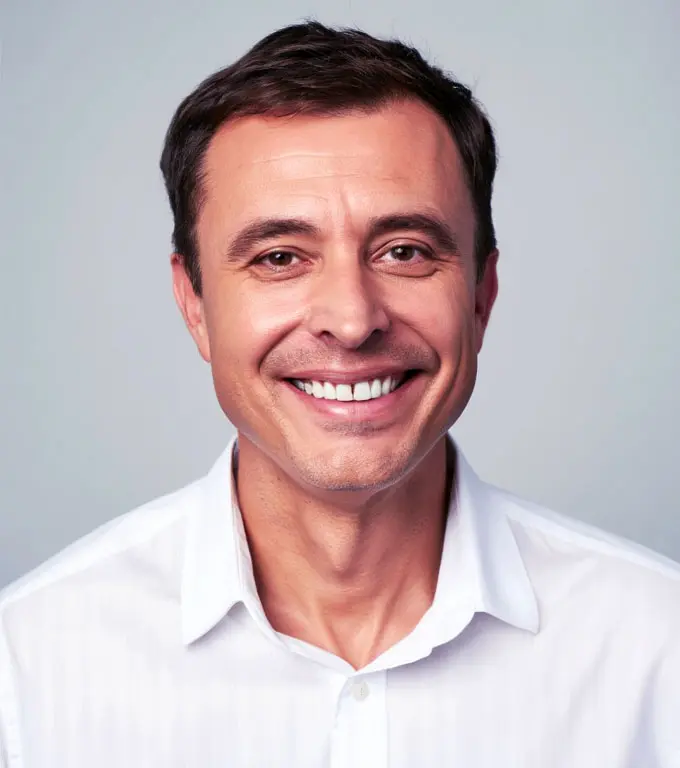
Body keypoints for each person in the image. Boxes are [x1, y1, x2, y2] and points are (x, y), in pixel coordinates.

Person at [0, 20, 678, 768]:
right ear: (194, 302)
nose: (352, 321)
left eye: (405, 251)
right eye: (281, 257)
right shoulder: (28, 668)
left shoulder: (657, 650)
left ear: (481, 294)